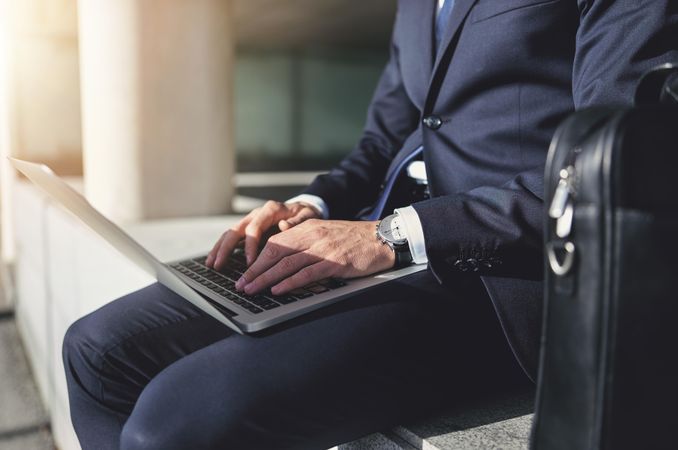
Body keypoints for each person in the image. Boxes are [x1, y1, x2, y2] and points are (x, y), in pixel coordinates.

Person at [63, 1, 678, 449]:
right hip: (377, 244)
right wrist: (314, 205)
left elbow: (616, 164)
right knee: (97, 350)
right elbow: (387, 136)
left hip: (497, 279)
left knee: (169, 425)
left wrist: (395, 235)